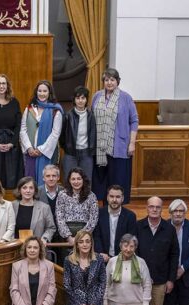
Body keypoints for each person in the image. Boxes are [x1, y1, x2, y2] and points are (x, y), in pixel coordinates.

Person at [136, 196, 179, 305]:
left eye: (157, 207)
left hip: (160, 281)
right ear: (147, 208)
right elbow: (132, 252)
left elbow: (174, 255)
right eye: (151, 207)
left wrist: (171, 279)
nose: (154, 209)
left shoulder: (169, 229)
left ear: (162, 209)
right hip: (138, 282)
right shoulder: (138, 226)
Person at [91, 68, 138, 204]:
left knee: (117, 181)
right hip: (100, 148)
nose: (109, 83)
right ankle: (105, 210)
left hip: (119, 147)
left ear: (117, 81)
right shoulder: (97, 96)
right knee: (102, 182)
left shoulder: (125, 97)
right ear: (103, 82)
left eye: (112, 80)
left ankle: (118, 208)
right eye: (106, 80)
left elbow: (134, 120)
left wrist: (132, 143)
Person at [20, 80, 63, 186]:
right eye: (40, 91)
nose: (42, 93)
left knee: (46, 182)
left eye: (45, 91)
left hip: (46, 154)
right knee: (29, 182)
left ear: (49, 93)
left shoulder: (55, 110)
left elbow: (55, 134)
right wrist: (29, 148)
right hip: (30, 153)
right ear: (36, 92)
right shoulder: (29, 108)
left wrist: (41, 150)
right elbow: (23, 130)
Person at [56, 168, 99, 251]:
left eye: (79, 179)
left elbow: (94, 218)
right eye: (73, 179)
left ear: (83, 180)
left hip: (85, 234)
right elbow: (59, 216)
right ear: (69, 180)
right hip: (66, 235)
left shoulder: (91, 195)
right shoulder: (62, 194)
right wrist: (68, 237)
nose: (76, 182)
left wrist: (81, 237)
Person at [60, 86, 97, 182]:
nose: (80, 101)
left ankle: (84, 198)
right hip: (70, 154)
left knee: (86, 181)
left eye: (83, 98)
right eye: (78, 98)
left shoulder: (91, 116)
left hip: (86, 154)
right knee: (69, 181)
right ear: (74, 100)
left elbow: (93, 135)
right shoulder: (68, 116)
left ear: (86, 99)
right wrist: (67, 148)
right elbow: (62, 136)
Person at [93, 185, 137, 263]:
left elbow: (130, 239)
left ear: (122, 198)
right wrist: (100, 253)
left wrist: (122, 254)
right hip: (103, 258)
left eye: (117, 197)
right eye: (111, 196)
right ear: (107, 197)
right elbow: (97, 236)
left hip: (123, 258)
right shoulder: (99, 214)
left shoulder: (130, 216)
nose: (114, 200)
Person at [12, 177, 56, 243]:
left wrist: (44, 239)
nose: (28, 191)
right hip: (15, 247)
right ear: (19, 190)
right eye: (24, 188)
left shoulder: (44, 208)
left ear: (35, 190)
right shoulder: (12, 205)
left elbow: (51, 227)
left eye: (31, 188)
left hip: (36, 247)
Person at [37, 165, 65, 264]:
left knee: (62, 262)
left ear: (58, 177)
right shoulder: (37, 192)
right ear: (43, 178)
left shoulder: (65, 192)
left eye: (54, 175)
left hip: (62, 234)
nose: (51, 178)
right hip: (44, 233)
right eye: (48, 176)